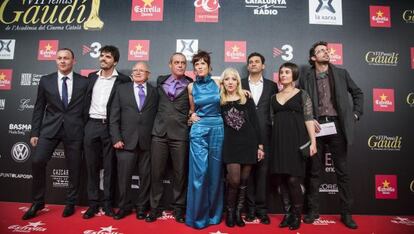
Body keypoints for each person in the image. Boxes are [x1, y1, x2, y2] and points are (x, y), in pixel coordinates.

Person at [300, 41, 363, 229]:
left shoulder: (341, 73)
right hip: (316, 127)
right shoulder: (306, 76)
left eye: (327, 50)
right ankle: (312, 211)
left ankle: (346, 214)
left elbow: (357, 93)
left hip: (337, 125)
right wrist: (310, 119)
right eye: (321, 51)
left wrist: (355, 114)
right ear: (313, 58)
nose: (326, 53)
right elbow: (301, 99)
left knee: (342, 172)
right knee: (313, 171)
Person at [22, 48, 89, 220]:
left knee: (74, 168)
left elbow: (87, 109)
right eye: (59, 58)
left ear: (74, 61)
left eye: (66, 58)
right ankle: (38, 202)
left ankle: (70, 202)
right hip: (49, 129)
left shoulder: (84, 82)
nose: (62, 61)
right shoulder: (46, 81)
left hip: (75, 130)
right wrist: (35, 132)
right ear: (55, 61)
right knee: (37, 161)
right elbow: (39, 108)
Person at [83, 45, 130, 219]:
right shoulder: (90, 77)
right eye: (101, 56)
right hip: (91, 125)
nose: (103, 59)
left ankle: (108, 204)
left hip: (110, 128)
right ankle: (93, 204)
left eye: (108, 57)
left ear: (115, 61)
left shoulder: (124, 80)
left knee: (110, 168)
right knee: (91, 166)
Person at [146, 52, 193, 223]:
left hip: (180, 134)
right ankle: (154, 208)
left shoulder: (191, 84)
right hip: (159, 133)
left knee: (180, 174)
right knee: (156, 173)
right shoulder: (160, 81)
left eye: (183, 63)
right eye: (177, 62)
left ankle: (178, 209)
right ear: (170, 64)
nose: (180, 65)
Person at [269, 62, 317, 230]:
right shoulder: (273, 98)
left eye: (287, 72)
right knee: (281, 179)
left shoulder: (302, 94)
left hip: (297, 141)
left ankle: (297, 215)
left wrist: (313, 142)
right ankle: (288, 214)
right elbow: (272, 121)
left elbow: (309, 118)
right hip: (278, 141)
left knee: (293, 179)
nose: (283, 75)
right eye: (281, 72)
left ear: (294, 75)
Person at [109, 62, 158, 220]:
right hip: (124, 142)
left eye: (141, 70)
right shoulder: (121, 89)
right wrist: (116, 137)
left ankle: (141, 208)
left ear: (148, 74)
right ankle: (124, 207)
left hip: (147, 143)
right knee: (124, 178)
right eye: (135, 70)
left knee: (146, 178)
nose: (137, 72)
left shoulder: (154, 92)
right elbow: (114, 116)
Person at [220, 68, 265, 227]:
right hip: (230, 145)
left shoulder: (246, 98)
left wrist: (259, 145)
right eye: (227, 79)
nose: (230, 82)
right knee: (234, 180)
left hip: (248, 142)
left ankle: (238, 212)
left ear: (238, 82)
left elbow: (254, 122)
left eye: (233, 79)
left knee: (244, 180)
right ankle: (230, 211)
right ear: (222, 82)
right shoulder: (219, 99)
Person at [186, 50, 224, 229]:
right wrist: (191, 116)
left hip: (217, 128)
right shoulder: (191, 87)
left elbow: (233, 93)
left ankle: (213, 216)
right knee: (199, 173)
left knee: (215, 174)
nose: (200, 67)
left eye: (203, 64)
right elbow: (192, 109)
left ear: (209, 67)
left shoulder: (218, 82)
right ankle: (197, 217)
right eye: (197, 65)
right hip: (199, 130)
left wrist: (244, 91)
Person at [241, 52, 278, 224]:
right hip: (244, 134)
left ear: (263, 66)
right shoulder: (239, 83)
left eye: (257, 61)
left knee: (263, 173)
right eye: (251, 62)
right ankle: (250, 210)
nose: (253, 64)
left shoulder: (272, 86)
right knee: (247, 173)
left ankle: (262, 210)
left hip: (266, 134)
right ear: (248, 66)